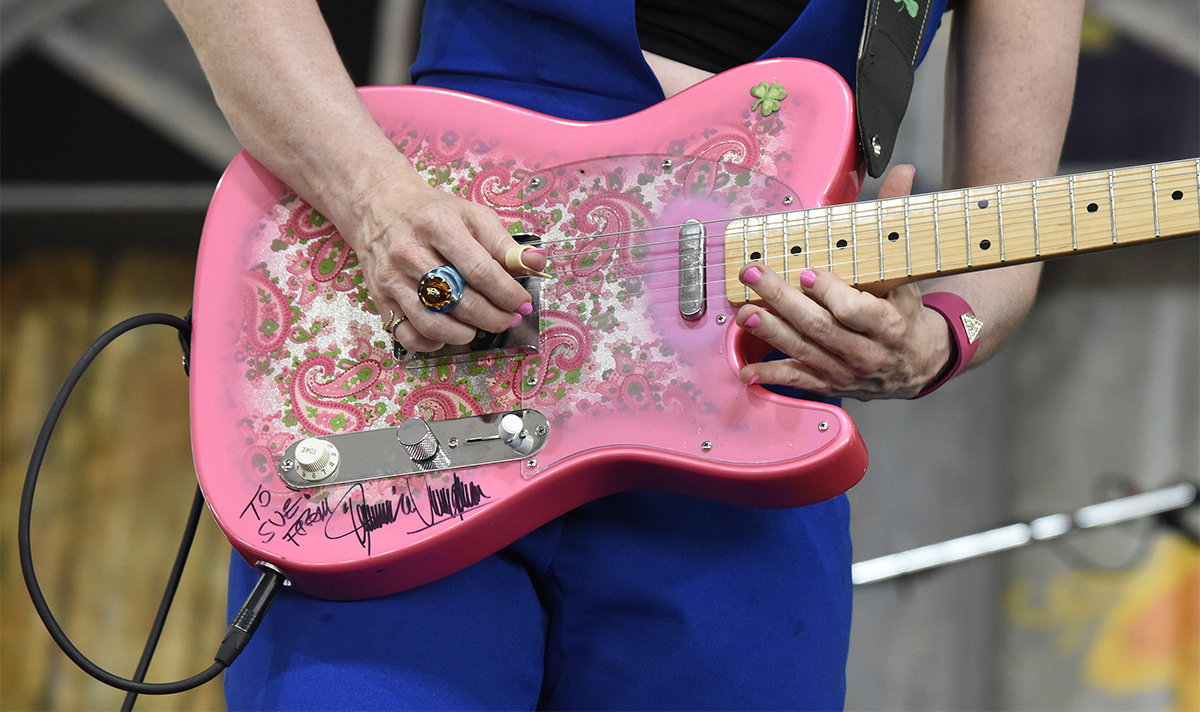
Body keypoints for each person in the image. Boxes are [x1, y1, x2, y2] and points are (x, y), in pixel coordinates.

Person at [166, 0, 1084, 708]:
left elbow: (1011, 231)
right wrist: (375, 202)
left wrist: (935, 340)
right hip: (424, 349)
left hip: (735, 437)